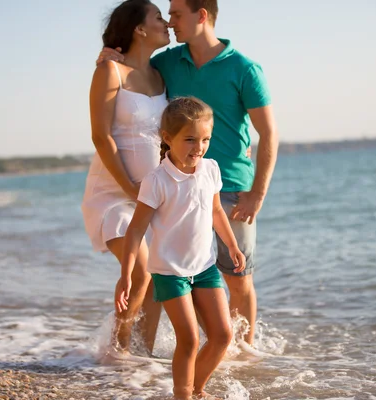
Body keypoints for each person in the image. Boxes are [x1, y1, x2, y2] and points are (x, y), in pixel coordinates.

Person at [99, 0, 279, 345]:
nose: (170, 22)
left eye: (177, 14)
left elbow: (268, 134)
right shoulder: (167, 62)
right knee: (171, 271)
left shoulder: (245, 69)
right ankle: (148, 355)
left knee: (238, 276)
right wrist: (110, 53)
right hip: (175, 185)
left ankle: (243, 353)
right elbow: (131, 69)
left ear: (202, 15)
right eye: (166, 14)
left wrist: (257, 193)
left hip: (231, 188)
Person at [116, 97, 245, 400]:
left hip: (204, 267)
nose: (198, 147)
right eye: (190, 139)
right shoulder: (156, 181)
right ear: (167, 139)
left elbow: (215, 212)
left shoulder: (210, 169)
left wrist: (232, 244)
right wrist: (127, 274)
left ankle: (196, 390)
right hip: (169, 271)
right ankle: (181, 395)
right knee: (187, 339)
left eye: (205, 139)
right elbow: (135, 229)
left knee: (223, 335)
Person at [81, 0, 171, 356]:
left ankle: (142, 357)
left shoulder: (162, 75)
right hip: (113, 192)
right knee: (142, 272)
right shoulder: (109, 71)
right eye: (159, 17)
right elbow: (100, 136)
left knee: (157, 280)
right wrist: (129, 187)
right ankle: (118, 353)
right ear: (138, 28)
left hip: (151, 195)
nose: (166, 23)